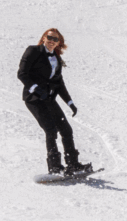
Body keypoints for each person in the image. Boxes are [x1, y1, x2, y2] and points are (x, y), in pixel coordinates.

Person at [17, 29, 91, 176]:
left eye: (55, 39)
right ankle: (55, 167)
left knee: (66, 130)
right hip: (34, 99)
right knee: (51, 130)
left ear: (59, 43)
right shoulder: (33, 51)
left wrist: (69, 102)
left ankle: (73, 164)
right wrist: (37, 90)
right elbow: (22, 74)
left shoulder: (56, 58)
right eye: (49, 37)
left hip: (49, 99)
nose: (52, 41)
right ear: (44, 38)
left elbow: (59, 83)